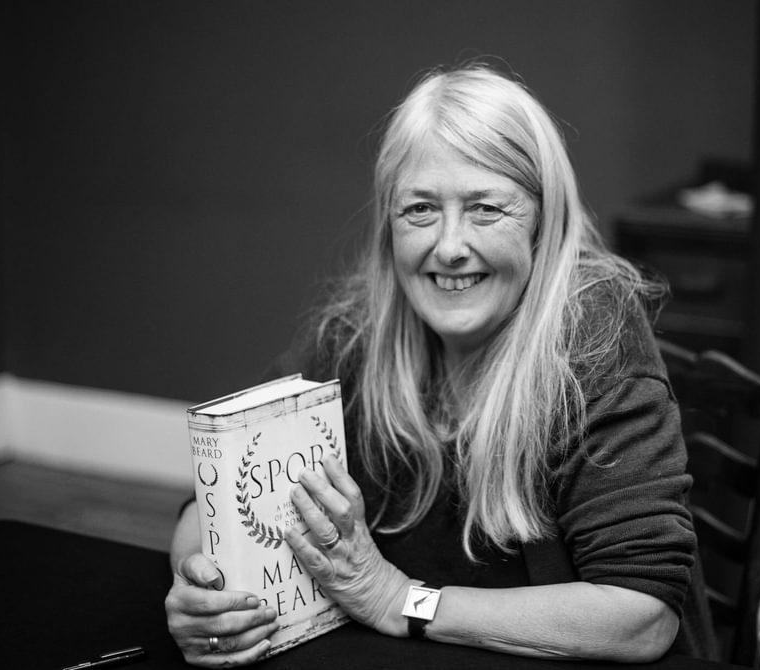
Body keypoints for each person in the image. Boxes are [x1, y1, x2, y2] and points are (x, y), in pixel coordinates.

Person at [165, 62, 713, 667]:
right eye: (420, 210)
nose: (449, 247)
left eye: (485, 208)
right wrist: (202, 590)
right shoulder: (358, 332)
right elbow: (208, 499)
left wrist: (399, 599)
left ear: (541, 221)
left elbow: (641, 615)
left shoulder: (596, 336)